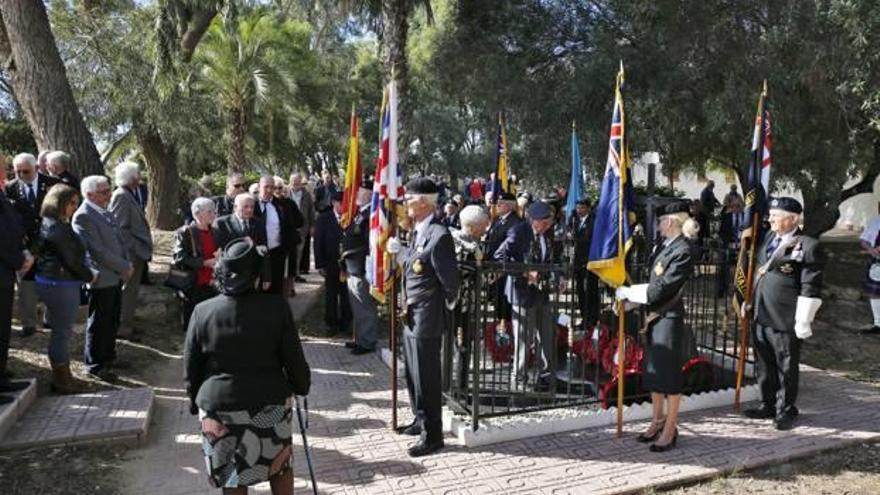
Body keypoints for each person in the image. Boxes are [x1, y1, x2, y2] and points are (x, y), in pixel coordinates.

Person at [185, 238, 310, 494]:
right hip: (269, 403)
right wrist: (301, 386)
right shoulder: (276, 307)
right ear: (256, 273)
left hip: (219, 407)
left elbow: (192, 365)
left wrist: (193, 400)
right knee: (280, 467)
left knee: (232, 476)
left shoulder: (202, 311)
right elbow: (293, 358)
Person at [616, 200, 699, 452]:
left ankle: (670, 429)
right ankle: (657, 421)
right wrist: (632, 300)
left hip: (668, 319)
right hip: (654, 318)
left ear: (671, 221)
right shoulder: (665, 246)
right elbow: (653, 283)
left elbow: (663, 287)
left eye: (661, 221)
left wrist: (631, 293)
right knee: (654, 375)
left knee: (669, 378)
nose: (659, 225)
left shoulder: (683, 250)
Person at [386, 177, 459, 457]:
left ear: (426, 202)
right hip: (411, 312)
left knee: (427, 376)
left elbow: (450, 281)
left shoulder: (439, 235)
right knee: (413, 373)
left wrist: (443, 307)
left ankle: (433, 435)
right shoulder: (418, 230)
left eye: (411, 199)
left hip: (427, 314)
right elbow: (417, 265)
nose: (406, 203)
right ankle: (420, 420)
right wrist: (402, 253)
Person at [743, 197, 823, 431]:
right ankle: (767, 403)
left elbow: (811, 285)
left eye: (775, 215)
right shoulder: (769, 238)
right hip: (762, 312)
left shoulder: (808, 245)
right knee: (764, 363)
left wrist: (803, 319)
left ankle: (786, 409)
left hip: (786, 318)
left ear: (792, 219)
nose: (770, 219)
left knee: (786, 365)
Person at [34, 184, 96, 392]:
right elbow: (70, 260)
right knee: (62, 332)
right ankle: (61, 380)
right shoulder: (57, 228)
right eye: (71, 203)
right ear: (59, 203)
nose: (75, 206)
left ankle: (63, 376)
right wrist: (90, 276)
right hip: (60, 283)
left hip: (55, 281)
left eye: (76, 203)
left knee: (62, 331)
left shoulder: (52, 223)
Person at [493, 201, 558, 391]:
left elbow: (553, 259)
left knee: (546, 334)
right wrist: (525, 272)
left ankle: (546, 374)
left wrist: (558, 276)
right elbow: (500, 257)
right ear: (533, 220)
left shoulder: (548, 234)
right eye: (543, 223)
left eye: (549, 223)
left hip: (542, 292)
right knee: (523, 337)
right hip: (522, 292)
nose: (547, 227)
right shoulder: (519, 232)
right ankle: (519, 378)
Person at [73, 175, 132, 380]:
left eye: (109, 189)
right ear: (89, 194)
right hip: (102, 278)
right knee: (99, 323)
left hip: (115, 276)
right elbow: (97, 251)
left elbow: (118, 241)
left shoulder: (104, 211)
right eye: (104, 192)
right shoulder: (83, 215)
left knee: (111, 319)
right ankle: (95, 365)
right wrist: (123, 265)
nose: (109, 194)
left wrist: (126, 263)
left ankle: (108, 357)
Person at [5, 153, 60, 336]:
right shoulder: (10, 188)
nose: (21, 175)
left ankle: (50, 319)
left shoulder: (53, 184)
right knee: (26, 287)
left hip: (50, 243)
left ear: (36, 168)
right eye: (17, 171)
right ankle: (28, 323)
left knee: (52, 283)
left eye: (25, 171)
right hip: (25, 244)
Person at [110, 162, 153, 339]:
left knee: (132, 291)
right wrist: (131, 252)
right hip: (131, 254)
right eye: (138, 174)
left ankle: (128, 324)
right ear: (132, 178)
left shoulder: (130, 193)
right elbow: (120, 227)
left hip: (136, 253)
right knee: (127, 291)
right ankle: (123, 328)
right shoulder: (121, 196)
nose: (140, 177)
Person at [450, 205, 490, 391]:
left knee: (462, 346)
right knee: (460, 346)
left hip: (462, 303)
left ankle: (458, 386)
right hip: (458, 303)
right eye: (484, 226)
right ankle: (455, 387)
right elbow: (477, 275)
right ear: (473, 227)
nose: (485, 230)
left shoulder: (453, 240)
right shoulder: (467, 246)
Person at [0, 188, 32, 403]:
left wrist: (23, 252)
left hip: (5, 271)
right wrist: (18, 260)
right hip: (5, 264)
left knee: (2, 328)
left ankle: (1, 378)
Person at [341, 181, 378, 355]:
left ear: (370, 194)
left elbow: (370, 244)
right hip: (353, 266)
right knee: (357, 305)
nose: (355, 195)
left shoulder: (371, 215)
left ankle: (368, 341)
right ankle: (361, 338)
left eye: (360, 192)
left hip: (362, 267)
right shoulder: (360, 214)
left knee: (364, 306)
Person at [173, 197, 220, 332]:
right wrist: (204, 263)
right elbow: (179, 258)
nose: (214, 215)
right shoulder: (185, 232)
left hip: (213, 283)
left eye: (214, 211)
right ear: (197, 214)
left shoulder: (216, 232)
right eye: (210, 212)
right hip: (194, 284)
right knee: (192, 323)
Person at [253, 176, 302, 295]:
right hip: (257, 255)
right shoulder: (251, 205)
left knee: (276, 288)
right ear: (259, 187)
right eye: (266, 187)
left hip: (277, 253)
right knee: (258, 289)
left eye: (272, 187)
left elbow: (293, 224)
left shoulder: (282, 205)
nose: (269, 190)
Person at [313, 191, 351, 336]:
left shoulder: (351, 217)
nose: (344, 206)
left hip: (348, 265)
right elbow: (318, 242)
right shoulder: (324, 218)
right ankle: (331, 324)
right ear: (334, 203)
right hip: (330, 263)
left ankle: (346, 323)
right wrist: (320, 264)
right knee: (331, 295)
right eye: (341, 203)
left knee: (347, 295)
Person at [571, 199, 600, 327]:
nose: (579, 210)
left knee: (590, 291)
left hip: (590, 262)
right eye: (577, 208)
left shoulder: (594, 221)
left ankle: (592, 319)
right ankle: (584, 317)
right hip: (578, 263)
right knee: (580, 292)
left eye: (582, 207)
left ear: (588, 208)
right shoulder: (575, 221)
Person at [717, 197, 746, 297]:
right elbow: (721, 232)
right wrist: (726, 242)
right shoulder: (726, 217)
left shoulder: (746, 217)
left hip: (743, 246)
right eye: (733, 206)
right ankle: (722, 289)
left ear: (742, 207)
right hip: (729, 245)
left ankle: (740, 290)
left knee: (741, 267)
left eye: (738, 206)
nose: (736, 208)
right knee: (724, 267)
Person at [288, 173, 315, 280]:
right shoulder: (286, 192)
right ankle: (289, 274)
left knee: (299, 251)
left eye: (298, 181)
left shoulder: (306, 194)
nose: (295, 183)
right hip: (289, 227)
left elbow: (311, 210)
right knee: (290, 252)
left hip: (302, 226)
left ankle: (297, 273)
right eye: (293, 181)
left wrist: (312, 225)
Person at [860, 203, 880, 335]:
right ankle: (878, 323)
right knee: (875, 293)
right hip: (877, 262)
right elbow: (864, 240)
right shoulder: (875, 222)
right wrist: (871, 250)